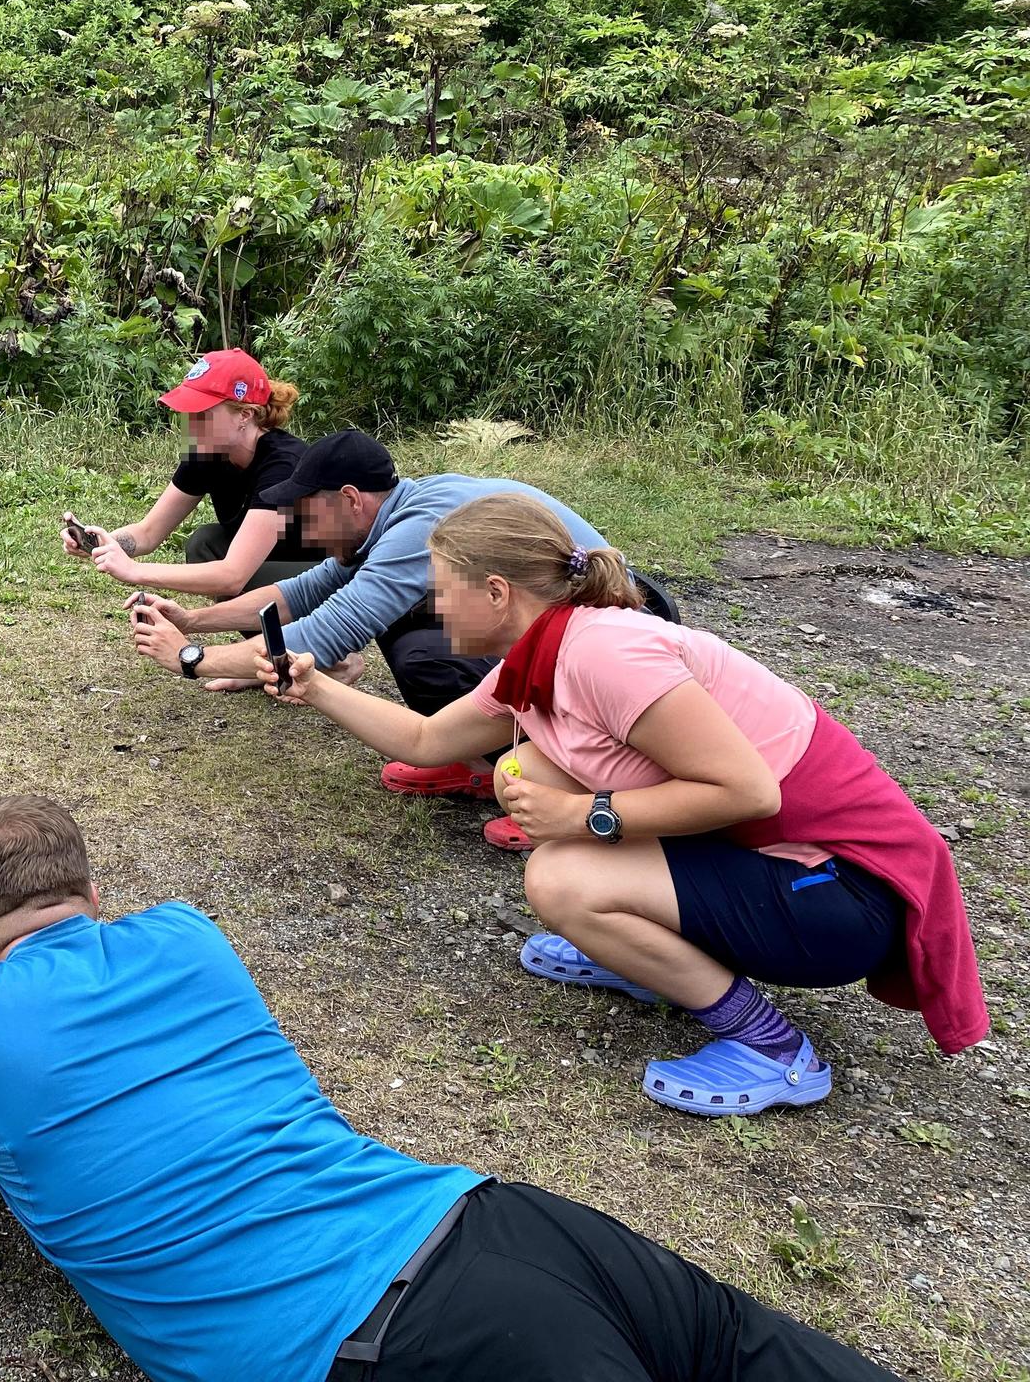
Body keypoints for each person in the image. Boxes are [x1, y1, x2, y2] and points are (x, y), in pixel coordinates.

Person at [0, 795, 908, 1380]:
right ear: (97, 897)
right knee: (745, 1352)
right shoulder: (182, 934)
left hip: (384, 1344)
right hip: (492, 1225)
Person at [256, 494, 988, 1117]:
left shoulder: (606, 654)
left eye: (444, 587)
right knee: (530, 762)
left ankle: (773, 1048)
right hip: (780, 864)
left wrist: (584, 817)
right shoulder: (546, 654)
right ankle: (644, 957)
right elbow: (424, 738)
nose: (432, 604)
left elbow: (747, 792)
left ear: (498, 593)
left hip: (849, 898)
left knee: (561, 878)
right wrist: (317, 686)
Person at [129, 428, 624, 850]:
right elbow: (302, 591)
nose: (300, 526)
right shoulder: (396, 511)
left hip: (603, 650)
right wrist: (193, 619)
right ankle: (469, 760)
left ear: (349, 499)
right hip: (555, 632)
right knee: (414, 631)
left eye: (307, 511)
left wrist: (190, 659)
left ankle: (554, 780)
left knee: (426, 652)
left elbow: (321, 635)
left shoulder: (418, 526)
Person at [62, 348, 324, 599]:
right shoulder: (209, 452)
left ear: (245, 414)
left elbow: (233, 575)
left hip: (330, 573)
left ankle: (282, 642)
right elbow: (148, 532)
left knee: (235, 574)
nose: (191, 423)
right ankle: (260, 641)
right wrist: (100, 544)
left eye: (203, 414)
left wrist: (135, 571)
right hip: (269, 561)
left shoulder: (283, 464)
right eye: (188, 413)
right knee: (205, 543)